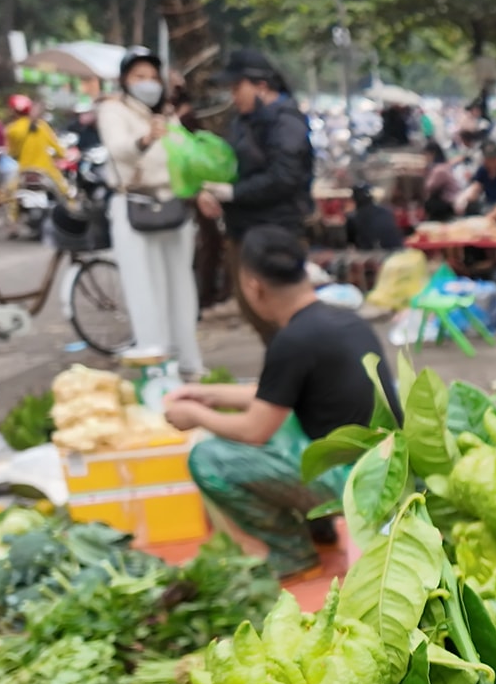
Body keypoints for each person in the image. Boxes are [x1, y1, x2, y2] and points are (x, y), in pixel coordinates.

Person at [164, 225, 400, 580]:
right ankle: (318, 527)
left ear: (252, 286)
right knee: (287, 425)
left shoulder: (292, 340)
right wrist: (208, 394)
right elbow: (278, 394)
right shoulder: (345, 321)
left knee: (209, 457)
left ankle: (291, 554)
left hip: (354, 483)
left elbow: (255, 429)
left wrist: (196, 416)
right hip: (391, 468)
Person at [195, 50, 315, 346]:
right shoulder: (242, 122)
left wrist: (235, 193)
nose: (234, 96)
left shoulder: (287, 122)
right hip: (243, 230)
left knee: (283, 314)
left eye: (237, 88)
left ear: (261, 86)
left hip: (277, 230)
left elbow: (284, 177)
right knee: (257, 313)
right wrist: (214, 192)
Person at [95, 50, 204, 377]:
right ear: (125, 80)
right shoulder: (113, 110)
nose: (147, 84)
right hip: (134, 206)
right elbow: (118, 150)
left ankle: (189, 363)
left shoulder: (165, 115)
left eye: (152, 77)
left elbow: (183, 156)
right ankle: (158, 370)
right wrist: (144, 139)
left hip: (173, 205)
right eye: (138, 77)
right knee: (145, 288)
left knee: (181, 287)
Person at [4, 95, 66, 189]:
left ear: (12, 111)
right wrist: (60, 155)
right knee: (65, 192)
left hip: (23, 171)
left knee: (9, 196)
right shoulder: (42, 126)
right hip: (46, 171)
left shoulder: (11, 129)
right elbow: (58, 150)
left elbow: (11, 152)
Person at [346, 183, 404, 250]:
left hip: (371, 256)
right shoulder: (386, 211)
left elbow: (351, 242)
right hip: (396, 253)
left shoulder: (353, 218)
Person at [422, 142, 460, 222]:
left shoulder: (440, 170)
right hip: (448, 198)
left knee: (428, 203)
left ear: (432, 154)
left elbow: (429, 187)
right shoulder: (443, 165)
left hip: (449, 202)